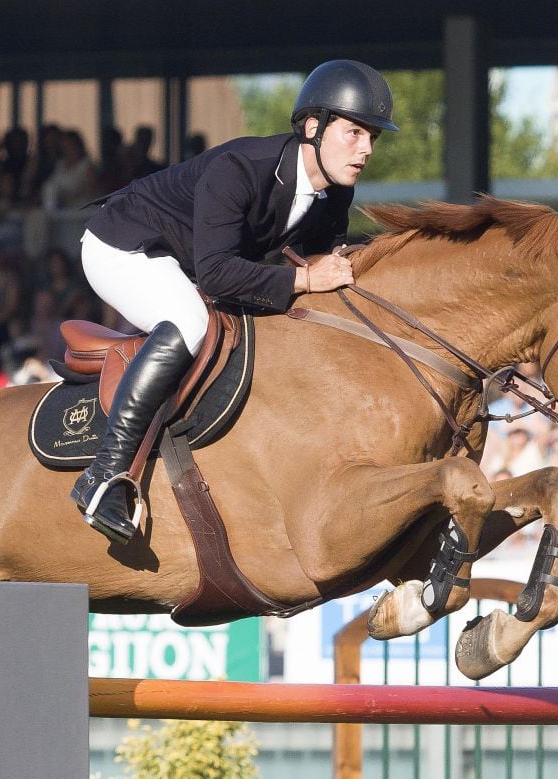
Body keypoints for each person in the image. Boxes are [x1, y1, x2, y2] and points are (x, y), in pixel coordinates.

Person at [70, 59, 398, 543]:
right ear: (314, 127)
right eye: (355, 133)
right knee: (190, 321)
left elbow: (321, 278)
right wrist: (306, 279)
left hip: (186, 260)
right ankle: (102, 475)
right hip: (123, 245)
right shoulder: (240, 169)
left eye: (373, 137)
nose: (367, 150)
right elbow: (221, 274)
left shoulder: (335, 195)